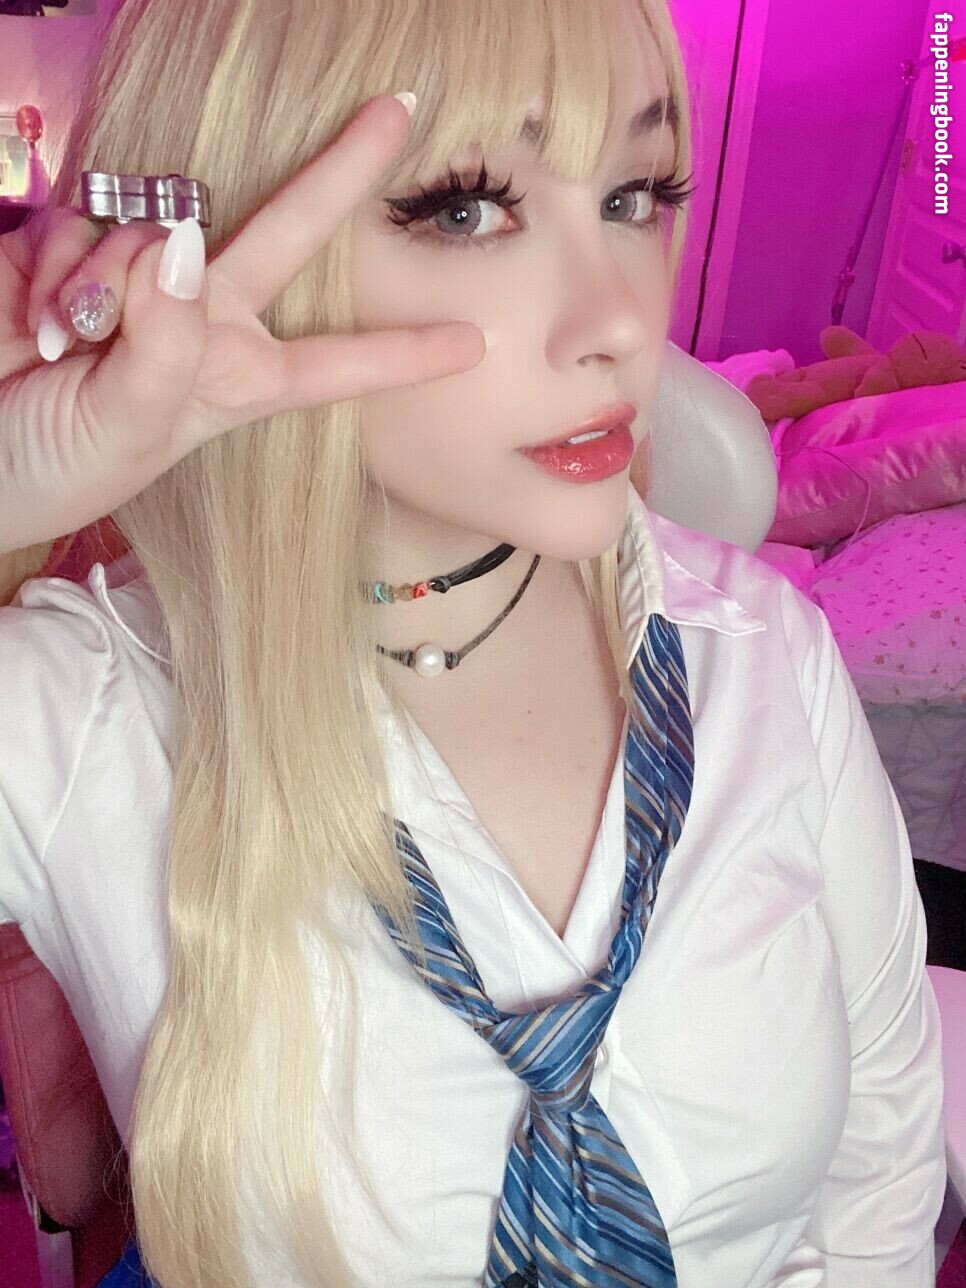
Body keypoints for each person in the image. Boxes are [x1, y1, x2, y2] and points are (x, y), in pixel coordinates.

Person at [0, 0, 946, 1285]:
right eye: (467, 210)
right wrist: (14, 480)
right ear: (225, 230)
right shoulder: (85, 715)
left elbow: (881, 1159)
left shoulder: (762, 653)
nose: (621, 321)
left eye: (636, 194)